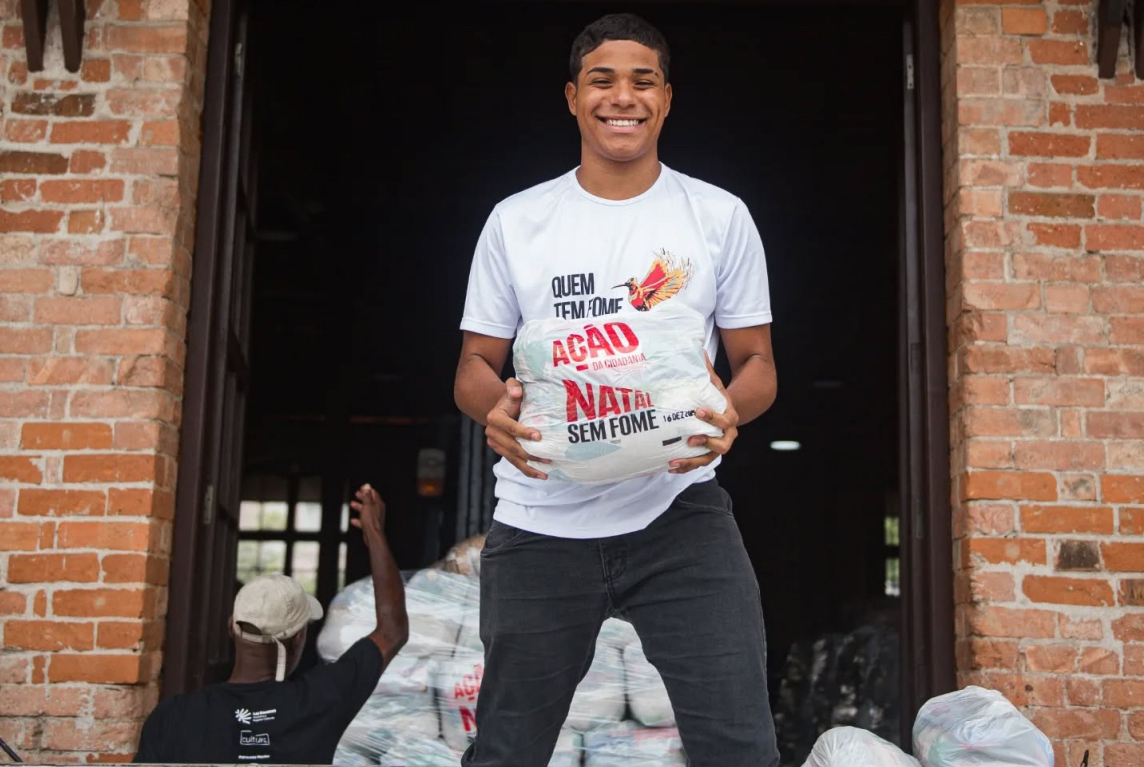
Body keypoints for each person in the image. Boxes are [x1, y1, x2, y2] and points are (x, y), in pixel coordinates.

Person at [453, 12, 779, 767]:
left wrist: (730, 411)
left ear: (667, 99)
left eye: (643, 81)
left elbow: (758, 363)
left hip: (678, 513)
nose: (622, 97)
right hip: (540, 518)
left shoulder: (718, 216)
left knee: (740, 745)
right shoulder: (518, 221)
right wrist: (491, 409)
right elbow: (473, 363)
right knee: (507, 750)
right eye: (602, 81)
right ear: (573, 97)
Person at [133, 484, 407, 764]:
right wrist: (374, 531)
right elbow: (392, 630)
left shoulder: (173, 716)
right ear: (298, 638)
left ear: (231, 627)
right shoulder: (319, 700)